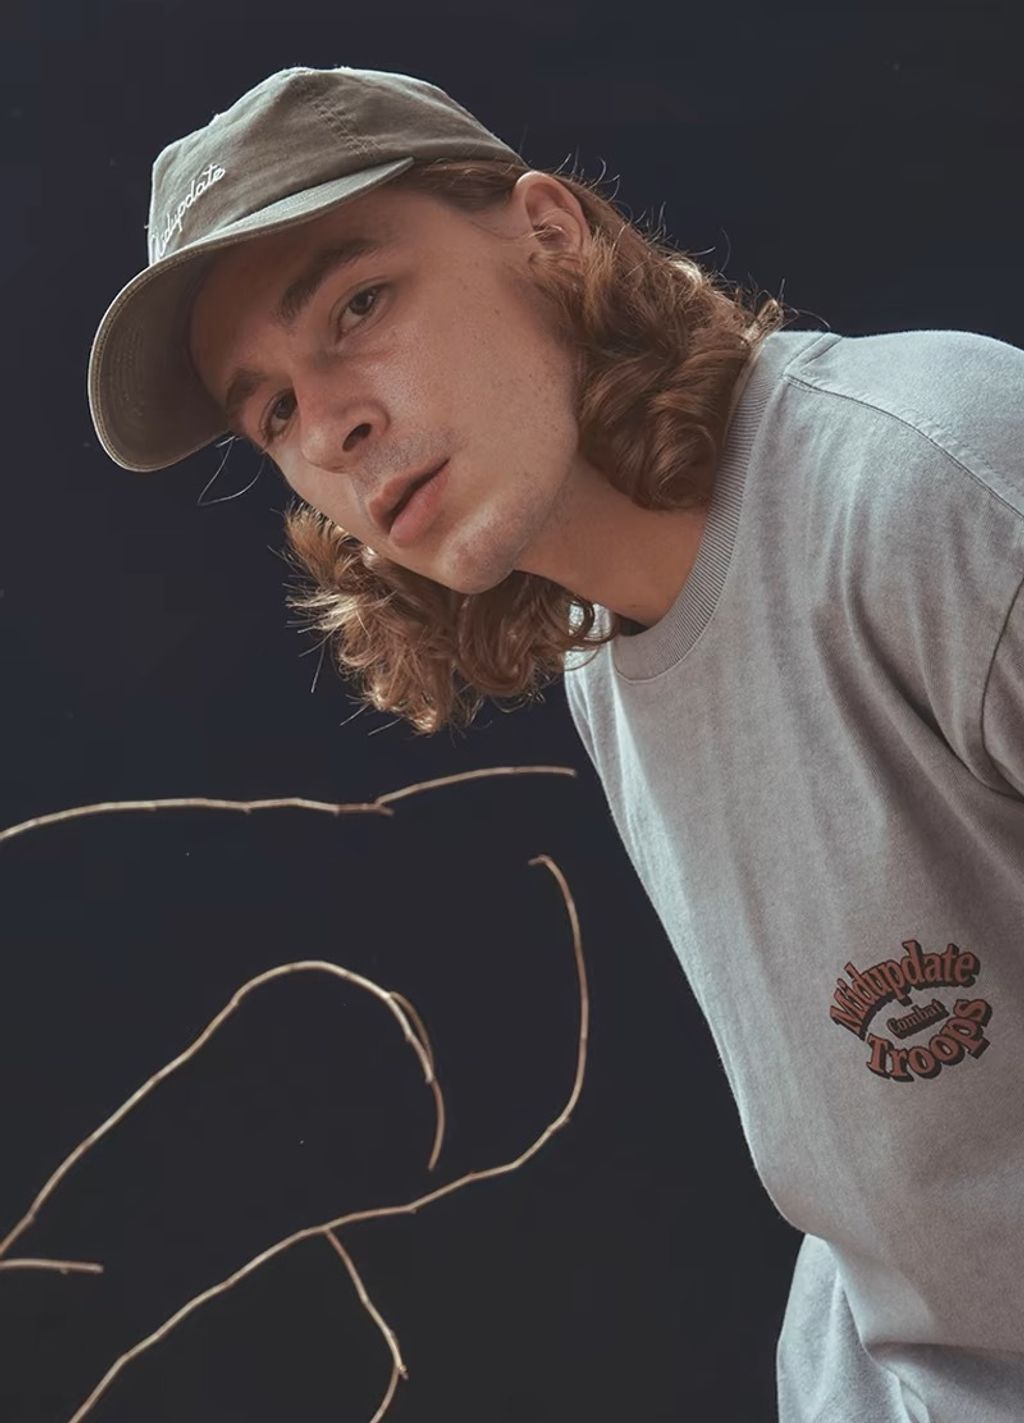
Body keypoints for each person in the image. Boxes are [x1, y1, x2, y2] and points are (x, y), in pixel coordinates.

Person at [88, 63, 1024, 1422]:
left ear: (549, 232)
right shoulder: (609, 660)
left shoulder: (938, 488)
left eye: (359, 305)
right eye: (272, 411)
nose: (334, 424)